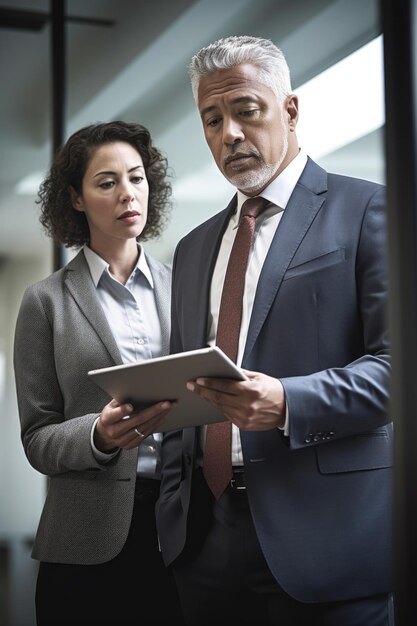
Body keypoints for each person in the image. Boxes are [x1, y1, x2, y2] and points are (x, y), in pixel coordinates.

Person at [155, 35, 394, 626]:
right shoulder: (192, 249)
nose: (228, 133)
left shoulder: (370, 211)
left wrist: (289, 401)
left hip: (327, 545)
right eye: (212, 119)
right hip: (204, 543)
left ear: (289, 110)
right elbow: (187, 388)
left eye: (245, 110)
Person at [13, 120, 184, 625]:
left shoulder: (189, 287)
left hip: (182, 532)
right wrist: (98, 436)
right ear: (77, 199)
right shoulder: (45, 301)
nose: (127, 193)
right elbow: (37, 437)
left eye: (136, 178)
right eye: (107, 183)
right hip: (84, 545)